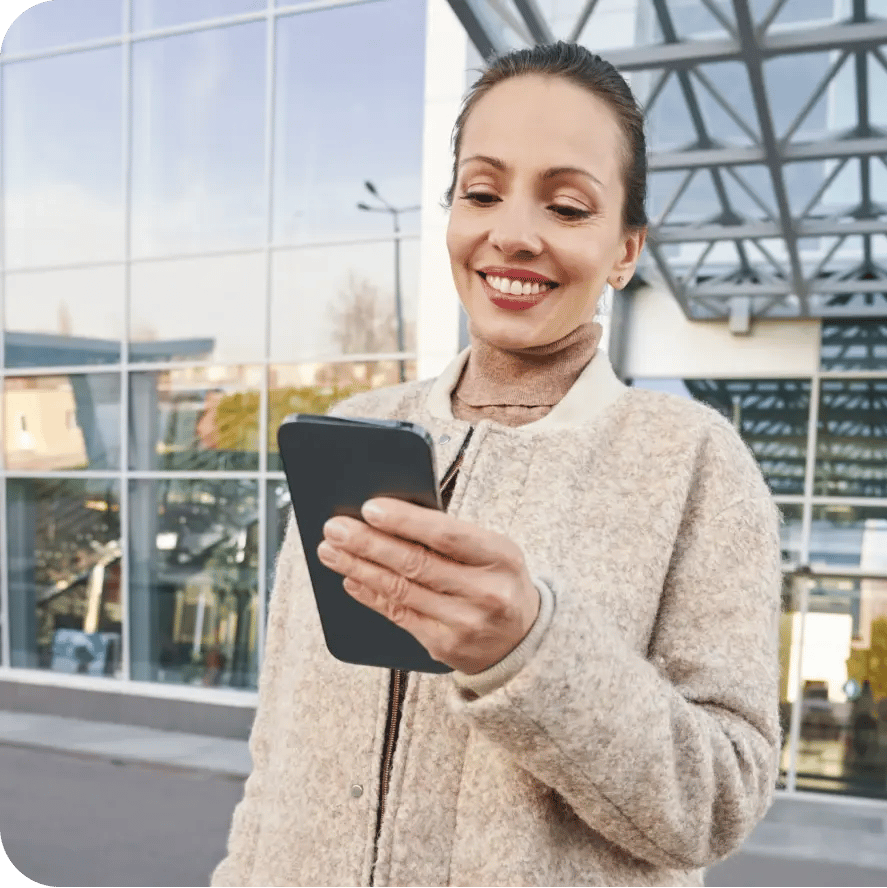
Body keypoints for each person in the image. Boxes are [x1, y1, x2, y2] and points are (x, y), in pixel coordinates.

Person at [212, 41, 781, 887]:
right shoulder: (355, 430)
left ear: (626, 251)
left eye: (568, 207)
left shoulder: (695, 464)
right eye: (481, 193)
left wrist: (532, 650)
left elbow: (720, 800)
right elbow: (276, 751)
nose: (511, 235)